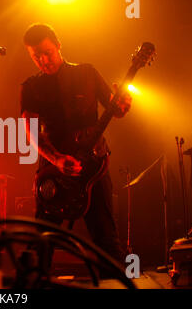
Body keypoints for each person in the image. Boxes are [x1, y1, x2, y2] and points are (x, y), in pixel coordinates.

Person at [20, 23, 132, 263]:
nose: (42, 60)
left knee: (106, 239)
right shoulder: (31, 86)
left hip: (94, 166)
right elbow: (29, 130)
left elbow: (116, 108)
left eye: (47, 52)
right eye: (35, 56)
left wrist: (123, 104)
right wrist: (57, 159)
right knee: (42, 241)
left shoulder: (87, 73)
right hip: (54, 170)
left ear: (59, 45)